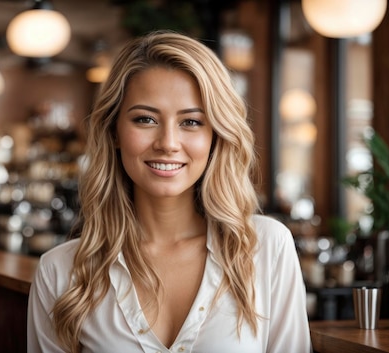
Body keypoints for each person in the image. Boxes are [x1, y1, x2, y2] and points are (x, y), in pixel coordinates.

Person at [27, 30, 312, 353]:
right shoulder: (60, 272)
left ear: (216, 135)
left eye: (191, 122)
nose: (168, 144)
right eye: (145, 119)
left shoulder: (266, 249)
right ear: (114, 131)